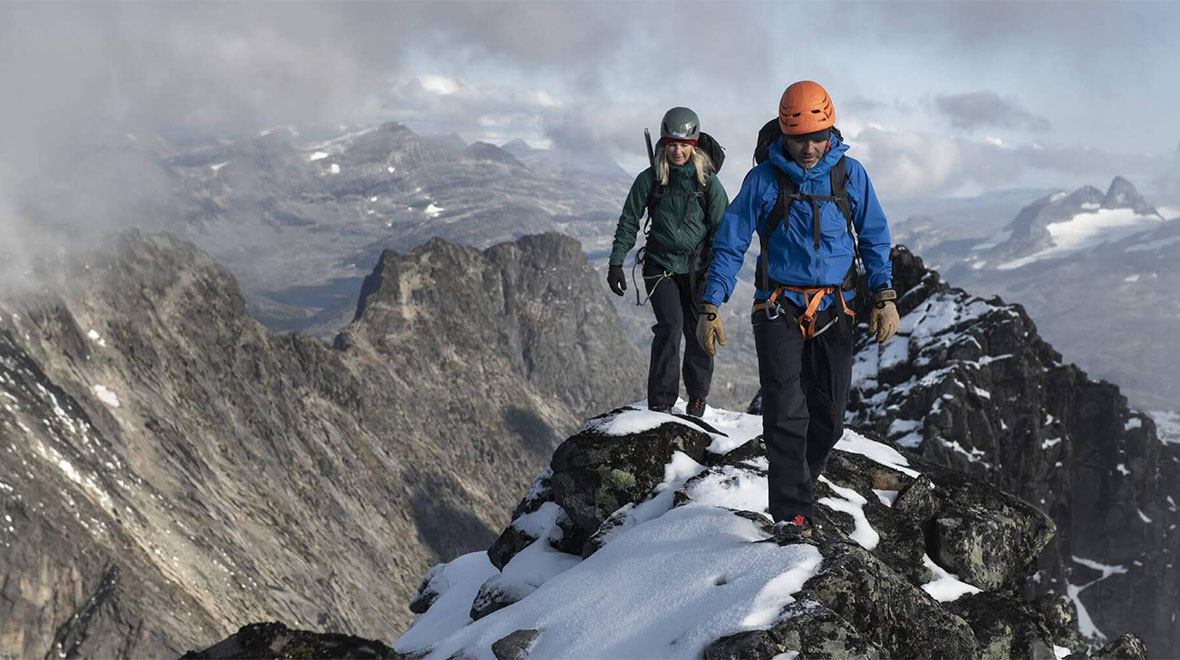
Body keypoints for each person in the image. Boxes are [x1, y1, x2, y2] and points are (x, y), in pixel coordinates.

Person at [696, 81, 899, 541]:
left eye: (817, 137)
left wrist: (884, 295)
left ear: (831, 130)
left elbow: (874, 236)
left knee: (829, 416)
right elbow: (731, 242)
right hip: (777, 308)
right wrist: (711, 304)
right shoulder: (763, 180)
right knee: (786, 410)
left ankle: (800, 486)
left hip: (836, 306)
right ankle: (792, 513)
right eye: (798, 138)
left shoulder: (850, 175)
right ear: (782, 135)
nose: (808, 149)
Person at [607, 107, 729, 418]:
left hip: (698, 270)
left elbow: (723, 233)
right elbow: (628, 221)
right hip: (660, 266)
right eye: (671, 144)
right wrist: (616, 262)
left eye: (684, 144)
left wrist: (716, 278)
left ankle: (697, 397)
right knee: (670, 328)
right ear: (663, 144)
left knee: (699, 330)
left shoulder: (708, 184)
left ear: (695, 145)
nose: (677, 151)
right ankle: (661, 401)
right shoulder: (650, 179)